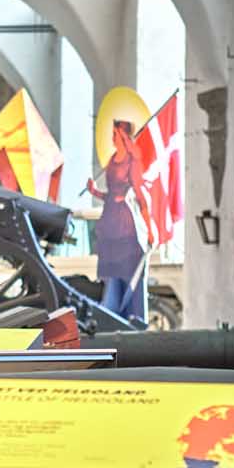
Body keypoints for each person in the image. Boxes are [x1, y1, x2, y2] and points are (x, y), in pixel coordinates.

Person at [87, 119, 154, 322]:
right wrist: (94, 192)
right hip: (110, 222)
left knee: (128, 272)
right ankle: (110, 315)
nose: (112, 138)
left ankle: (132, 317)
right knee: (110, 274)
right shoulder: (113, 160)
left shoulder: (131, 162)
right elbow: (111, 195)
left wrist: (149, 229)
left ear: (124, 137)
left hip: (125, 224)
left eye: (115, 134)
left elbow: (140, 197)